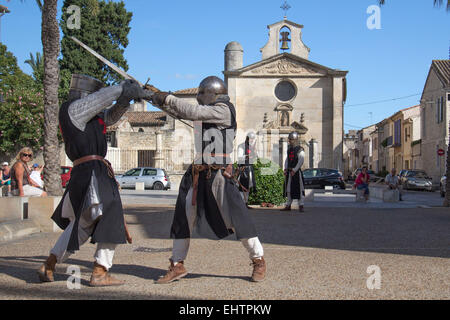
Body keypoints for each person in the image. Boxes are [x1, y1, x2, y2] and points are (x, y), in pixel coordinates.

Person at [37, 74, 152, 287]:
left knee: (82, 223)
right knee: (110, 216)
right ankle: (100, 271)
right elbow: (102, 99)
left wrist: (127, 98)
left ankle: (50, 264)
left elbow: (111, 115)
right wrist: (123, 87)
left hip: (93, 171)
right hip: (91, 172)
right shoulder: (72, 110)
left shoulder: (91, 118)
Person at [151, 76, 266, 284]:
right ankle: (177, 264)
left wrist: (167, 98)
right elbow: (181, 112)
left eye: (201, 94)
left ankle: (258, 260)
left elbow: (193, 111)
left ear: (211, 94)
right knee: (183, 218)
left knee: (238, 218)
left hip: (219, 175)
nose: (198, 98)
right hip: (196, 174)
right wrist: (155, 98)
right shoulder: (208, 111)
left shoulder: (224, 109)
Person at [281, 132, 306, 213]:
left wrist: (294, 170)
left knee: (300, 188)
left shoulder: (300, 150)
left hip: (296, 173)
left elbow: (301, 161)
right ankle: (288, 205)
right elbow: (287, 160)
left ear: (295, 140)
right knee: (288, 189)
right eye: (289, 139)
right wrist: (285, 169)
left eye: (291, 139)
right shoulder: (289, 150)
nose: (289, 141)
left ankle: (301, 205)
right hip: (289, 172)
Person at [237, 132, 258, 208]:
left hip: (250, 168)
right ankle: (241, 203)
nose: (252, 140)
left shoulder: (251, 147)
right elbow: (239, 157)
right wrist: (247, 156)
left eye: (253, 139)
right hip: (244, 168)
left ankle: (245, 203)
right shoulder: (241, 146)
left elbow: (255, 157)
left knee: (248, 186)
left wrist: (255, 153)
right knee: (242, 186)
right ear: (247, 138)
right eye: (251, 138)